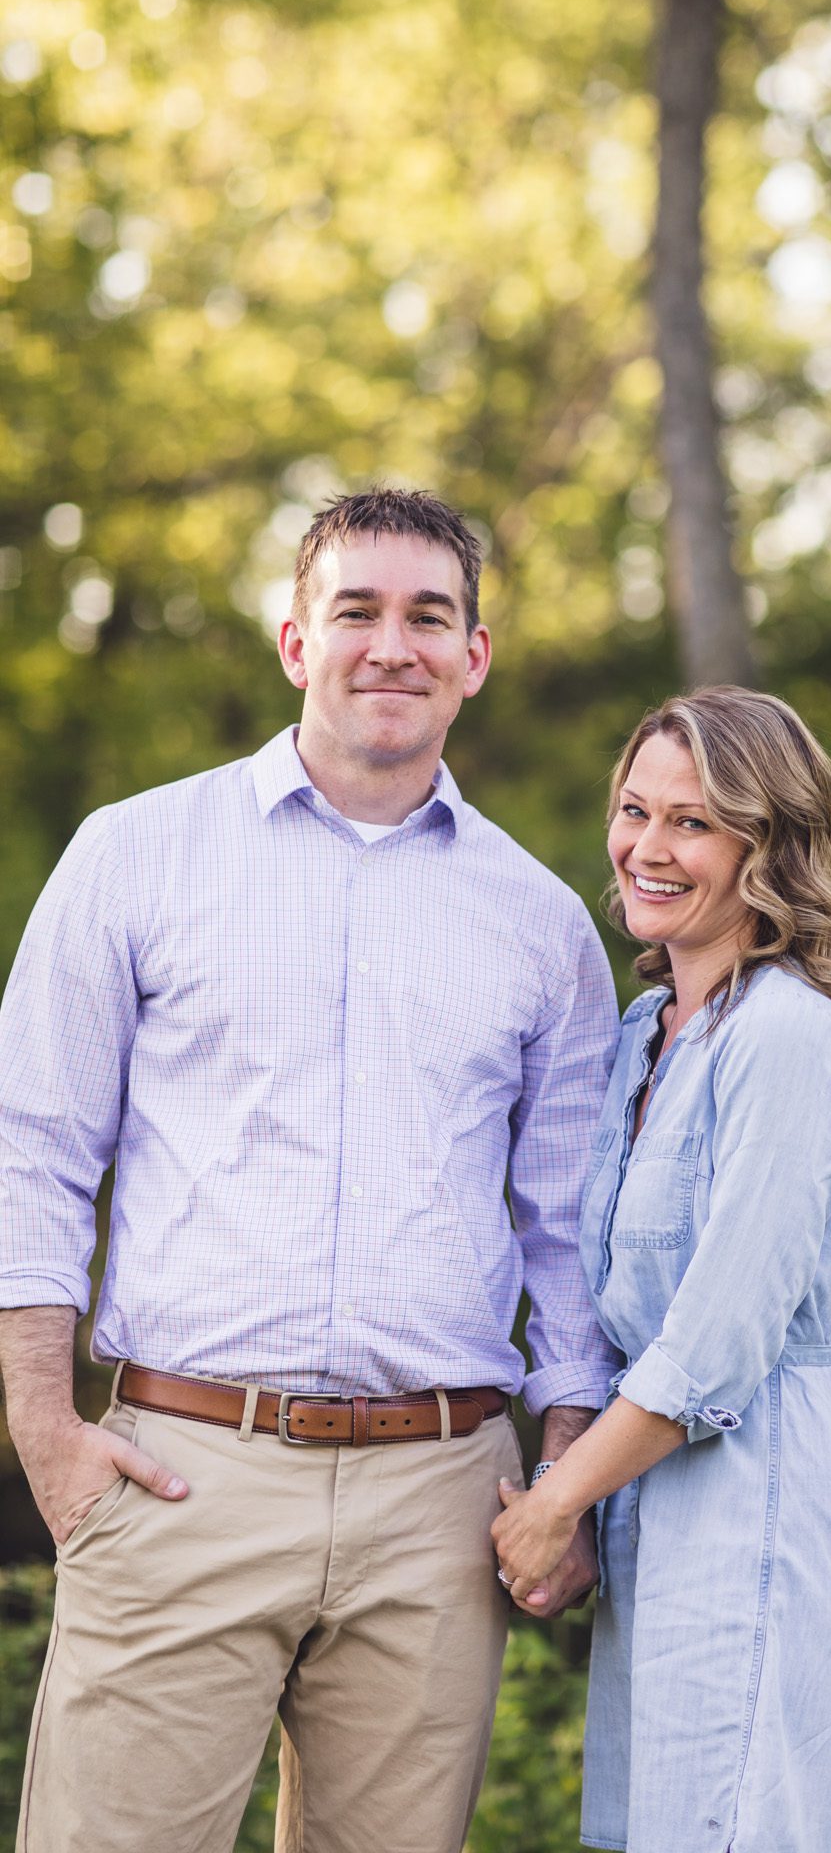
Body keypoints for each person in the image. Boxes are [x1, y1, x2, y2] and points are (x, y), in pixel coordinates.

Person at [0, 488, 620, 1853]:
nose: (390, 645)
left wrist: (564, 1473)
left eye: (428, 616)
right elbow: (33, 1152)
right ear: (295, 641)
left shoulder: (541, 924)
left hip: (439, 1502)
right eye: (357, 611)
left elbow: (571, 1230)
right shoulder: (135, 857)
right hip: (182, 1474)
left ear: (474, 655)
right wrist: (47, 1440)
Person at [491, 685, 831, 1853]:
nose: (649, 849)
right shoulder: (643, 1033)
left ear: (766, 848)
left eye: (696, 822)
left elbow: (715, 1343)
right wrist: (577, 1495)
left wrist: (555, 1499)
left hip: (764, 1497)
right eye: (635, 810)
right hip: (658, 1518)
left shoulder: (787, 1038)